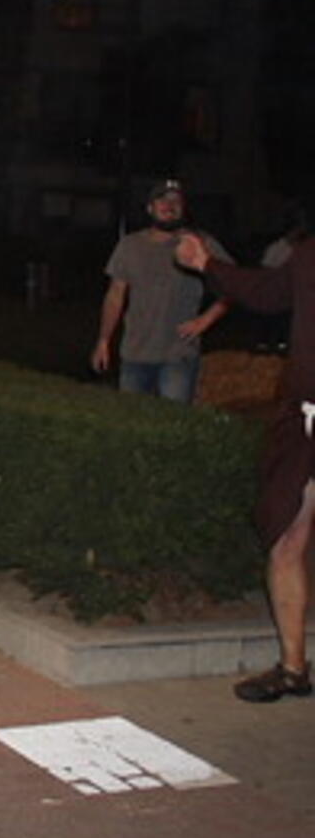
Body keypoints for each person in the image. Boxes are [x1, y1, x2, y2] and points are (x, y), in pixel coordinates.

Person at [175, 228, 313, 703]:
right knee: (285, 537)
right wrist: (206, 265)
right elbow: (267, 292)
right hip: (304, 422)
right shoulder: (308, 255)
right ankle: (293, 668)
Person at [90, 179, 232, 403]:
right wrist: (104, 340)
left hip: (178, 355)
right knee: (134, 418)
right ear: (150, 208)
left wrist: (205, 320)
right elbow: (115, 296)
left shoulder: (200, 243)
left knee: (173, 419)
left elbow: (233, 285)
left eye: (176, 201)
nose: (169, 206)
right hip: (135, 354)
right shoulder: (130, 245)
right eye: (163, 200)